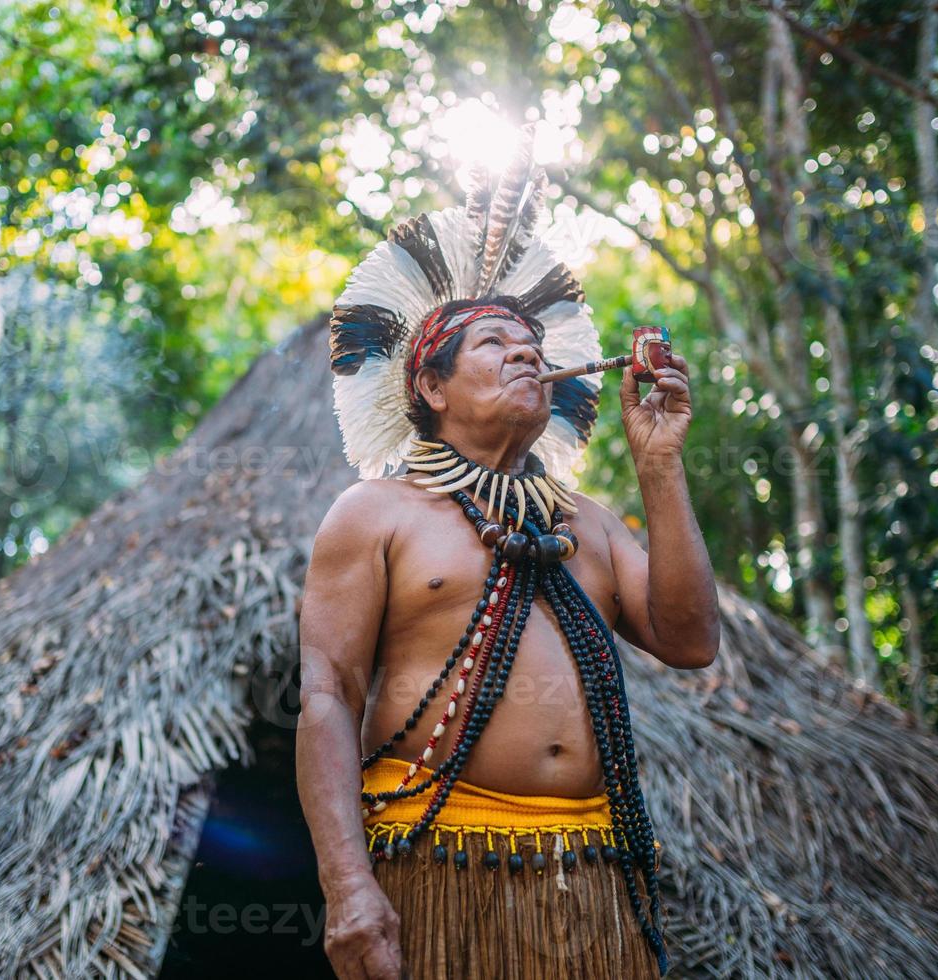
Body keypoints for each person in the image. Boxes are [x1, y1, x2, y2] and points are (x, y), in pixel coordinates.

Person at [296, 142, 720, 980]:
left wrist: (660, 464)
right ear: (433, 390)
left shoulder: (588, 525)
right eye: (493, 342)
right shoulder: (375, 514)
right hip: (439, 869)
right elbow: (326, 696)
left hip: (595, 878)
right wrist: (347, 887)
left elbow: (689, 639)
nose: (525, 352)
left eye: (531, 343)